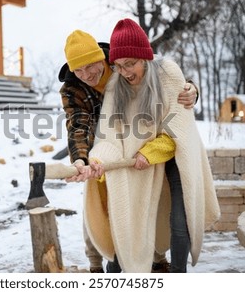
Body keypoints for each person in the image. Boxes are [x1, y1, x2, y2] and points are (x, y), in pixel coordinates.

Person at [82, 18, 221, 272]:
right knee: (125, 214)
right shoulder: (116, 85)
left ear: (144, 57)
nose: (124, 72)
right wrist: (99, 161)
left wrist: (150, 151)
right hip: (142, 160)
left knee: (180, 221)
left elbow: (177, 129)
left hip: (176, 155)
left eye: (130, 64)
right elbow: (109, 136)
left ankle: (178, 275)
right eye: (118, 66)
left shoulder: (168, 73)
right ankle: (118, 273)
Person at [59, 29, 199, 273]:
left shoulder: (119, 65)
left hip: (148, 139)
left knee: (154, 201)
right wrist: (80, 159)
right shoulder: (74, 89)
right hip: (105, 146)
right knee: (98, 207)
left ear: (102, 58)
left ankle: (156, 258)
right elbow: (78, 125)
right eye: (78, 70)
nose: (86, 75)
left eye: (90, 66)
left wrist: (192, 89)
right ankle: (97, 265)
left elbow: (164, 78)